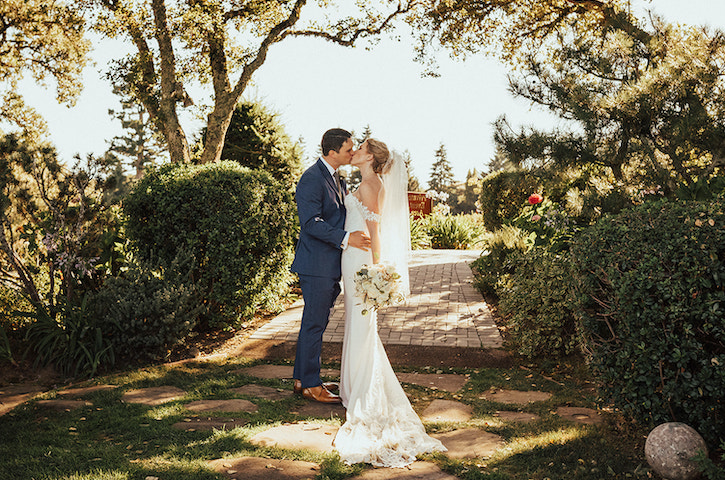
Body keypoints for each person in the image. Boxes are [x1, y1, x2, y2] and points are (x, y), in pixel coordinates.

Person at [333, 138, 447, 467]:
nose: (353, 151)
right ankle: (354, 389)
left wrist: (377, 269)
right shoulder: (367, 181)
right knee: (358, 325)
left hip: (361, 261)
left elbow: (375, 229)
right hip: (353, 257)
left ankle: (362, 395)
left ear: (370, 156)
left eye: (359, 148)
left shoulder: (371, 184)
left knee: (362, 327)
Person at [291, 128, 371, 404]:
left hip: (329, 265)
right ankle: (312, 385)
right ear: (332, 152)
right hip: (316, 264)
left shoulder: (338, 178)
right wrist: (347, 238)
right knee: (315, 324)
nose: (352, 153)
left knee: (314, 323)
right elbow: (311, 223)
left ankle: (303, 378)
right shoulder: (312, 178)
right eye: (349, 149)